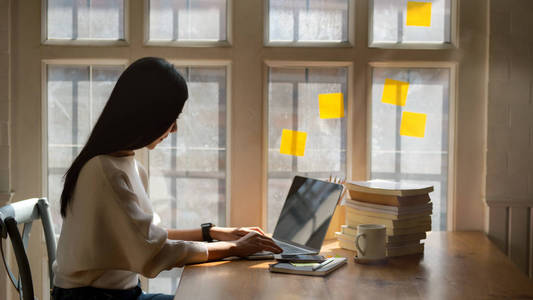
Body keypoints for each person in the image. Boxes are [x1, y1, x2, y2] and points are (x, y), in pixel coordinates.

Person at [51, 57, 282, 300]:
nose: (174, 129)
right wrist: (234, 248)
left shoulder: (127, 166)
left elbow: (149, 235)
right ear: (148, 115)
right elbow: (153, 253)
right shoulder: (104, 171)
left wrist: (213, 232)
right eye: (172, 118)